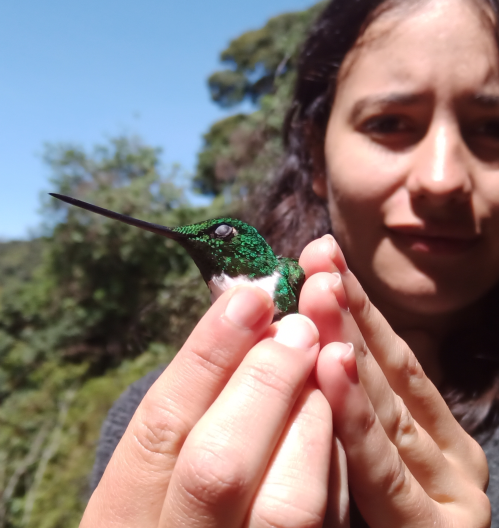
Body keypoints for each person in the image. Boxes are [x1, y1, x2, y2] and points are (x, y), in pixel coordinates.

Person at [81, 0, 499, 525]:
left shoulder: (292, 277)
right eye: (389, 122)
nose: (441, 181)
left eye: (494, 128)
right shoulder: (159, 421)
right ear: (316, 155)